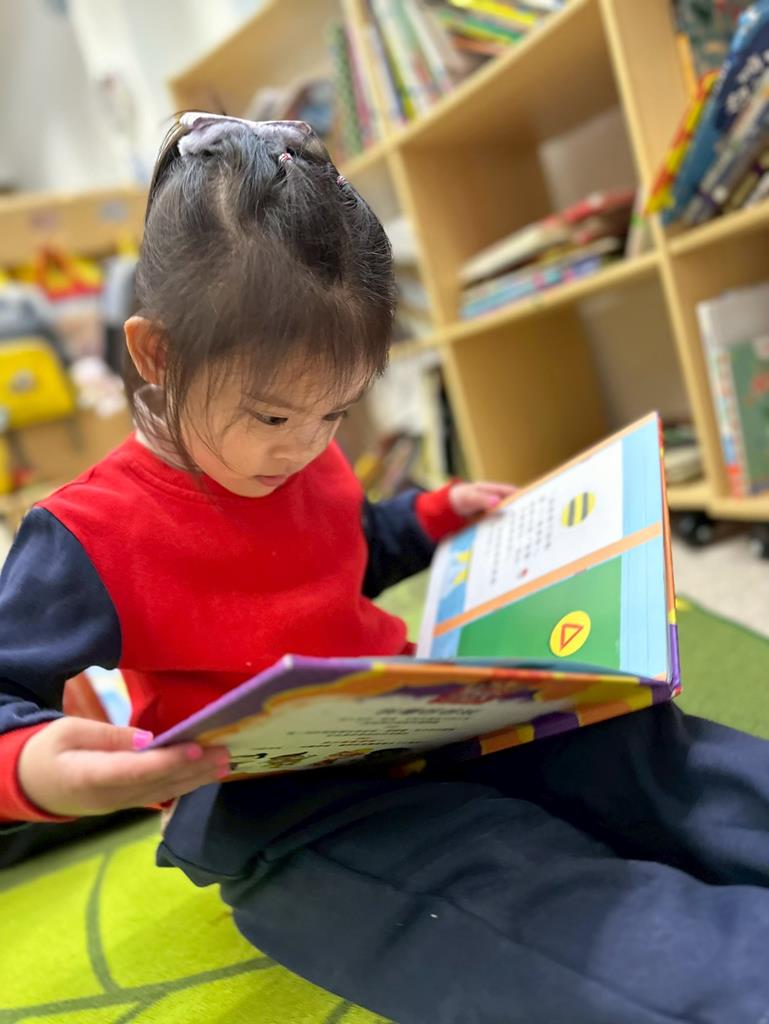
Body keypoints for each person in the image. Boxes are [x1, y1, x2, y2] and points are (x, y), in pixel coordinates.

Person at [1, 114, 769, 1024]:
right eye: (273, 416)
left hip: (418, 712)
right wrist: (35, 764)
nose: (305, 446)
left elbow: (346, 543)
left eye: (335, 413)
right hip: (283, 802)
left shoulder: (299, 455)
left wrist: (432, 518)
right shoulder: (86, 531)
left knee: (639, 749)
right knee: (510, 910)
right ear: (156, 355)